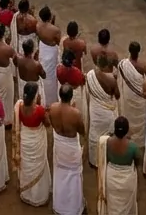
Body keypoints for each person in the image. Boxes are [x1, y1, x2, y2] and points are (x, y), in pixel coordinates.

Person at [13, 81, 51, 206]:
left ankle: (27, 193)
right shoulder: (39, 110)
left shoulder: (19, 106)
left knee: (27, 165)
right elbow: (47, 124)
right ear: (35, 95)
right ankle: (38, 196)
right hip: (36, 140)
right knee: (38, 165)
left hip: (25, 139)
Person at [51, 83, 86, 215]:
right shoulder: (75, 113)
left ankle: (59, 206)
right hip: (71, 148)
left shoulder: (53, 108)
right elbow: (82, 131)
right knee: (74, 175)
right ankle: (74, 208)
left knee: (60, 173)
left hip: (60, 146)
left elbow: (52, 124)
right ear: (71, 97)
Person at [98, 116, 140, 215]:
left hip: (111, 178)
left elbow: (105, 158)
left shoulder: (106, 142)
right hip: (127, 181)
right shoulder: (133, 147)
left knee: (113, 205)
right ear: (127, 130)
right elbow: (138, 163)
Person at [86, 55, 120, 167]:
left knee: (95, 132)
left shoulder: (90, 75)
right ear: (106, 66)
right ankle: (107, 159)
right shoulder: (111, 80)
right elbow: (118, 96)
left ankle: (94, 160)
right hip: (107, 113)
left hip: (95, 111)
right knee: (108, 136)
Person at [117, 41, 146, 147]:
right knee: (140, 117)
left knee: (128, 114)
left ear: (129, 51)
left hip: (128, 95)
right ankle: (140, 139)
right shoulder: (143, 65)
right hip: (139, 97)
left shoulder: (123, 64)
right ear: (139, 52)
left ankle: (128, 132)